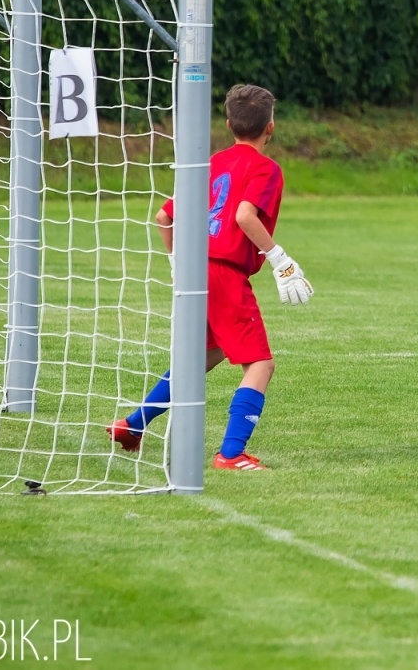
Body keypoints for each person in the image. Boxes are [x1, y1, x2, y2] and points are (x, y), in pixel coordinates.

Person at [109, 84, 313, 471]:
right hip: (225, 274)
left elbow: (164, 217)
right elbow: (244, 216)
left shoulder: (213, 161)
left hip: (196, 270)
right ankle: (231, 453)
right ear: (270, 127)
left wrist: (176, 265)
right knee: (260, 364)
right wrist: (280, 260)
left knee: (203, 356)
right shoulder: (266, 168)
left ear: (229, 125)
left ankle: (132, 425)